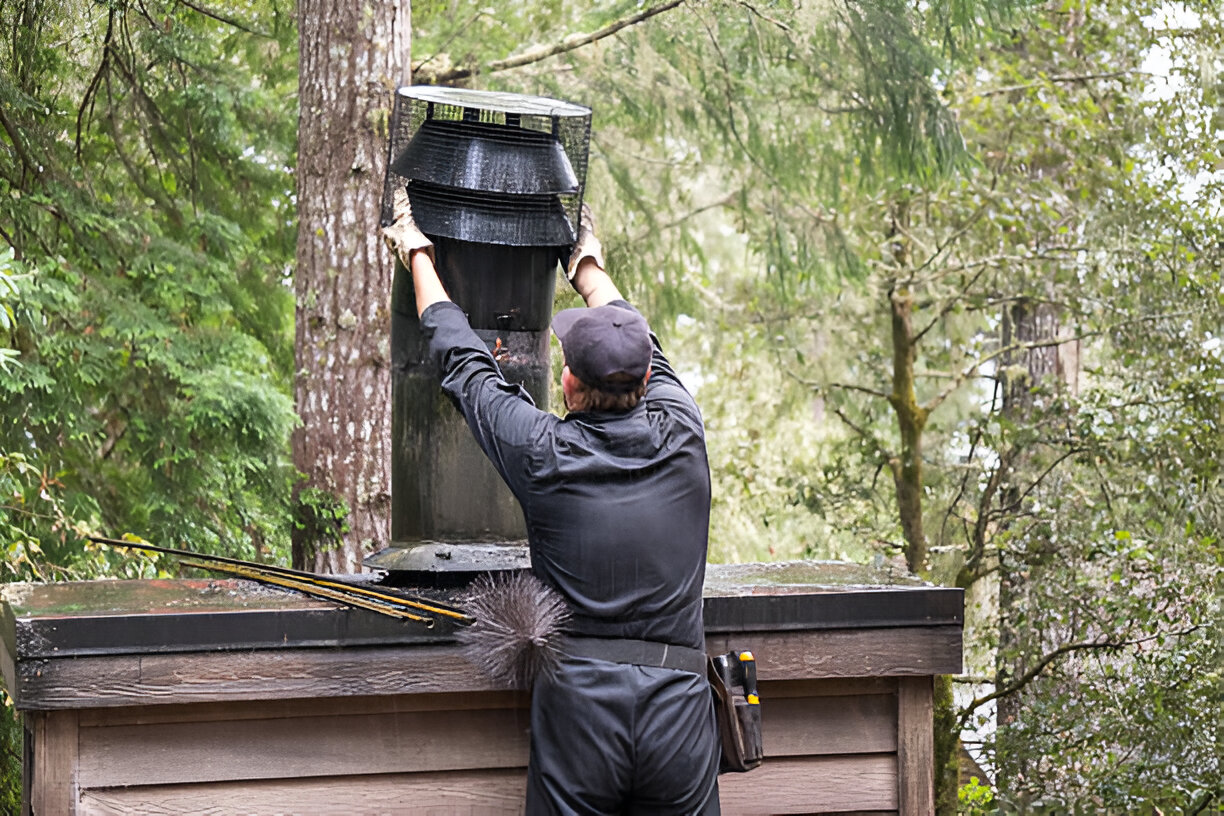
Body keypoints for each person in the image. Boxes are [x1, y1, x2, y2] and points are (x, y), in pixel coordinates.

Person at [383, 195, 720, 815]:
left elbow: (464, 362)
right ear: (647, 381)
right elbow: (636, 328)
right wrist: (584, 261)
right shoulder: (683, 431)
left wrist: (419, 253)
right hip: (679, 704)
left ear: (567, 384)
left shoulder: (544, 452)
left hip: (581, 705)